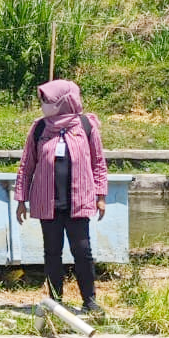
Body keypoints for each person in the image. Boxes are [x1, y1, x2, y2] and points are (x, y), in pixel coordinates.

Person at [14, 78, 107, 314]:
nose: (44, 104)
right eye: (43, 100)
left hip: (79, 201)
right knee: (52, 253)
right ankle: (56, 301)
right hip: (48, 203)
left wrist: (100, 195)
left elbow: (98, 163)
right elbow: (27, 164)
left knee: (83, 252)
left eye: (49, 100)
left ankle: (89, 301)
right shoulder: (39, 128)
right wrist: (21, 200)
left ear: (64, 102)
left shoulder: (86, 125)